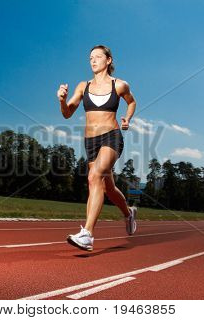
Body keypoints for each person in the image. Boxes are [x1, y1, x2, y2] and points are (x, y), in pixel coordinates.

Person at [56, 45, 138, 252]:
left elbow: (132, 102)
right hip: (90, 142)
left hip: (111, 136)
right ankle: (129, 213)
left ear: (108, 60)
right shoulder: (83, 86)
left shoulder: (119, 85)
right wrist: (62, 100)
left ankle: (88, 234)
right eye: (90, 58)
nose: (92, 61)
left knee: (94, 177)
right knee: (107, 187)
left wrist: (127, 119)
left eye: (97, 57)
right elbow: (67, 113)